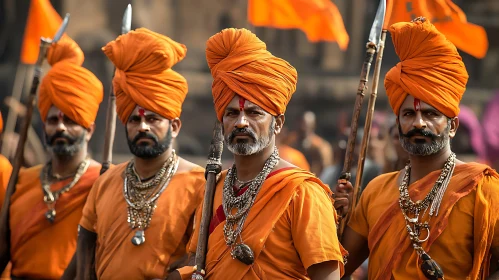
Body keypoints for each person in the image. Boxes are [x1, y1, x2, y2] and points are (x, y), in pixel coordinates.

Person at [172, 28, 347, 280]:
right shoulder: (213, 187)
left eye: (254, 113)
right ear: (222, 123)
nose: (241, 122)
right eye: (232, 113)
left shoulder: (302, 193)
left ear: (278, 123)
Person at [340, 17, 499, 279]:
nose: (418, 123)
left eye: (430, 114)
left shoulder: (483, 189)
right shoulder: (375, 191)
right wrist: (335, 220)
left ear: (452, 126)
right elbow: (338, 266)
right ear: (398, 123)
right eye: (408, 115)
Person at [76, 28, 205, 279]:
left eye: (153, 118)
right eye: (134, 119)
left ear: (175, 126)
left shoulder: (200, 184)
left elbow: (205, 257)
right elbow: (85, 255)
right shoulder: (105, 183)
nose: (142, 126)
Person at [0, 36, 103, 279]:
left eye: (70, 120)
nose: (60, 128)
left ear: (89, 130)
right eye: (53, 120)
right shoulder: (20, 181)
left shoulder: (103, 182)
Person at [291, 111, 333, 175]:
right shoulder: (291, 142)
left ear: (313, 125)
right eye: (300, 124)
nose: (302, 127)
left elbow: (326, 168)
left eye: (305, 125)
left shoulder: (321, 146)